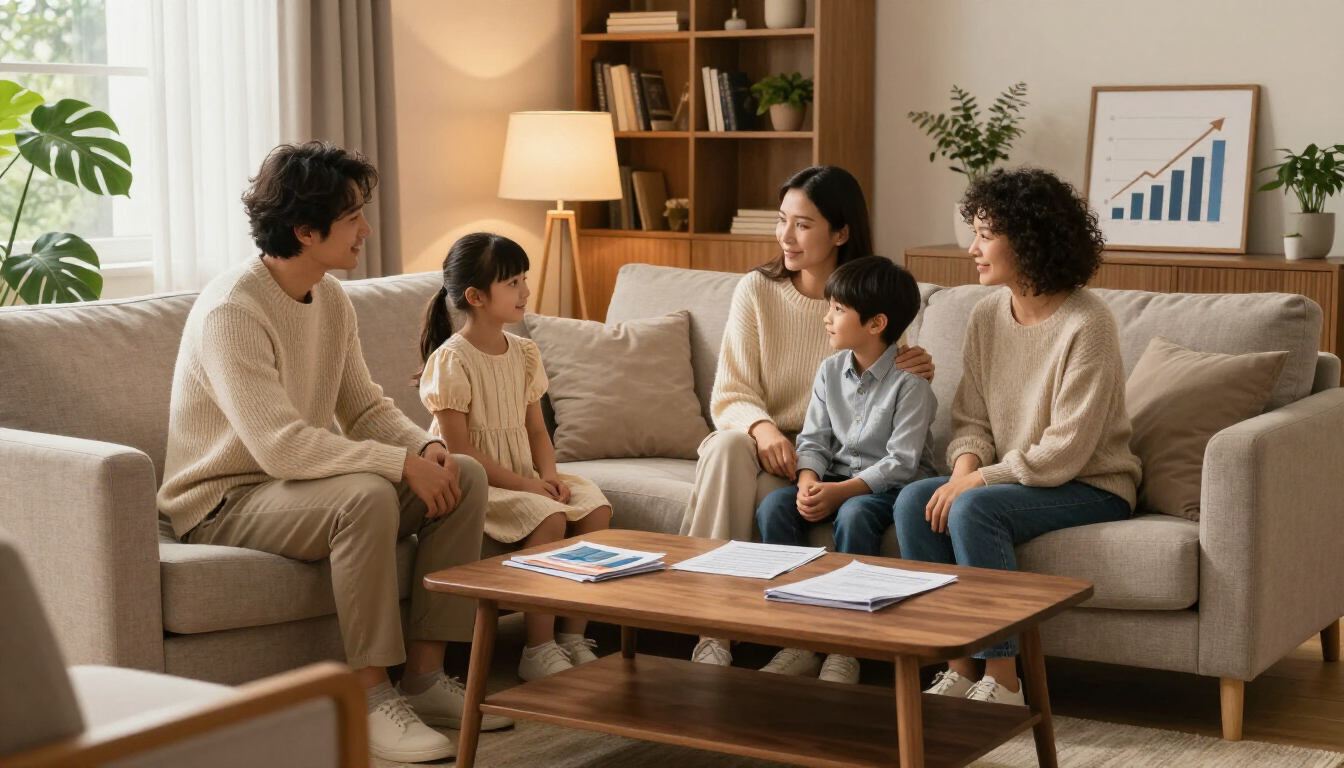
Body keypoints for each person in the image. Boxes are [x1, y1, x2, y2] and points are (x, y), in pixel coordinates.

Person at [158, 141, 510, 764]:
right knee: (365, 494)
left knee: (467, 474)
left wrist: (425, 447)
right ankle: (367, 697)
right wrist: (395, 464)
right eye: (352, 218)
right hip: (224, 500)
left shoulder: (331, 298)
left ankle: (426, 679)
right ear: (305, 230)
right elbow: (279, 445)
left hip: (293, 488)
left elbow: (365, 408)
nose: (366, 231)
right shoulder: (233, 311)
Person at [893, 167, 1142, 706]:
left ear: (1028, 242)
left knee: (973, 510)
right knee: (917, 499)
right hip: (1019, 478)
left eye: (986, 236)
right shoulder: (986, 316)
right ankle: (958, 665)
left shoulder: (1088, 323)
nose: (973, 249)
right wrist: (963, 471)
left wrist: (978, 483)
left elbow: (1066, 450)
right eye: (975, 234)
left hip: (1089, 484)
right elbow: (972, 421)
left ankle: (1004, 679)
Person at [680, 165, 935, 667]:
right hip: (759, 442)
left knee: (779, 508)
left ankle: (820, 639)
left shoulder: (866, 298)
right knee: (728, 445)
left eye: (802, 224)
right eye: (782, 221)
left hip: (827, 459)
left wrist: (922, 367)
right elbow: (729, 393)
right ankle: (709, 625)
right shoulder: (756, 290)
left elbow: (885, 390)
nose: (785, 237)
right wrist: (765, 430)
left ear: (841, 232)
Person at [416, 232, 614, 683]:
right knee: (549, 516)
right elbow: (461, 451)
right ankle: (537, 647)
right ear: (476, 296)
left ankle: (572, 635)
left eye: (525, 279)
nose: (526, 292)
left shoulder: (524, 352)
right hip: (477, 484)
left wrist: (548, 475)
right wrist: (530, 487)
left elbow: (537, 429)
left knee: (595, 507)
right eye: (513, 283)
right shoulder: (452, 359)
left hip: (524, 475)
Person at [754, 255, 938, 684]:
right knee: (774, 508)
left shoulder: (911, 384)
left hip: (893, 487)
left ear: (876, 323)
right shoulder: (829, 370)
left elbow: (901, 463)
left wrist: (842, 494)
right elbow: (814, 440)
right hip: (834, 478)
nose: (826, 318)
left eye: (838, 310)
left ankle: (848, 646)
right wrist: (808, 482)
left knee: (855, 514)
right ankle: (796, 639)